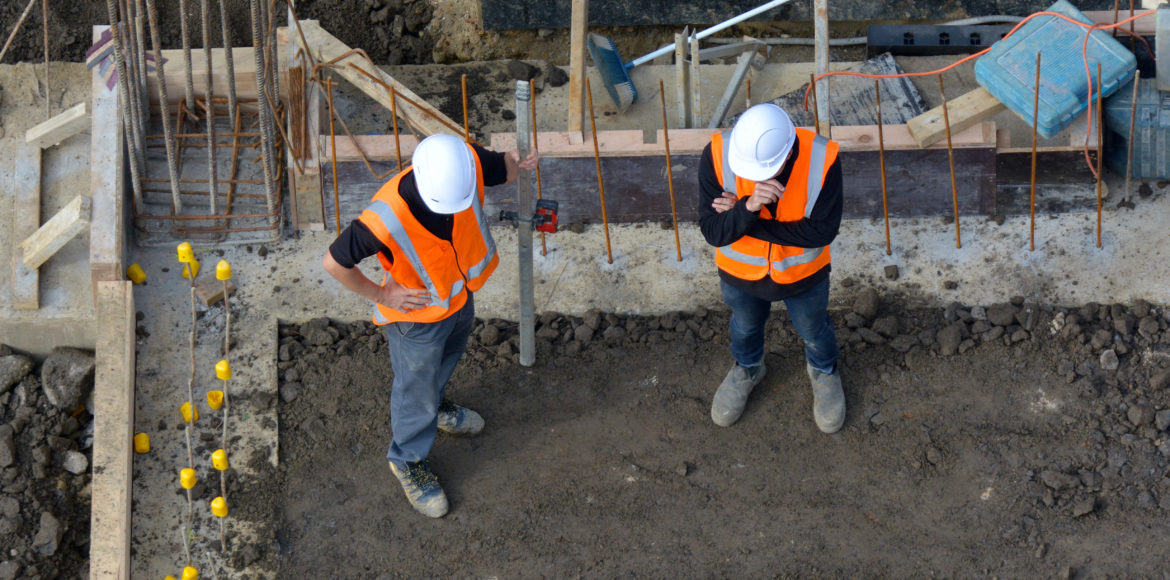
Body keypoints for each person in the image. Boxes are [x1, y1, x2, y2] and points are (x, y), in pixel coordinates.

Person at [322, 133, 538, 518]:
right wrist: (382, 295)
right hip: (416, 321)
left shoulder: (465, 163)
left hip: (458, 299)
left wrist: (518, 160)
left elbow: (502, 167)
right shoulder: (385, 216)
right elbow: (335, 263)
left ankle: (436, 408)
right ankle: (406, 459)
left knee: (444, 364)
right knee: (414, 387)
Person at [697, 103, 846, 433]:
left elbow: (821, 231)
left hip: (803, 276)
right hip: (740, 275)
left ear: (787, 153)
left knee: (813, 330)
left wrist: (744, 221)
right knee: (745, 327)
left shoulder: (822, 158)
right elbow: (713, 230)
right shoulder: (718, 153)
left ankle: (824, 370)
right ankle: (748, 367)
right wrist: (749, 207)